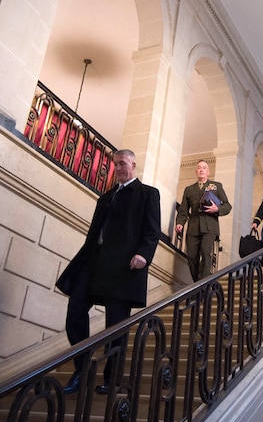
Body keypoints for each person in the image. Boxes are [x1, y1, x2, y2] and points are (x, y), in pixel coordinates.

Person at [56, 149, 161, 395]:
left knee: (116, 325)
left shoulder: (147, 194)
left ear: (134, 164)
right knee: (75, 311)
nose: (118, 168)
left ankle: (112, 377)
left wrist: (143, 254)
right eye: (115, 164)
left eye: (122, 163)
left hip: (122, 268)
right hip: (94, 263)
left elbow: (152, 229)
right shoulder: (106, 197)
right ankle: (82, 370)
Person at [175, 159, 232, 279]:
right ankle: (197, 283)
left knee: (206, 253)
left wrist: (217, 209)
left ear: (208, 172)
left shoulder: (216, 186)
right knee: (191, 256)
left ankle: (204, 283)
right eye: (199, 168)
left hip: (209, 226)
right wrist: (180, 223)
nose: (201, 170)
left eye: (204, 168)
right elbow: (183, 210)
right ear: (196, 171)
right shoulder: (189, 189)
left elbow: (227, 206)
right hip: (193, 227)